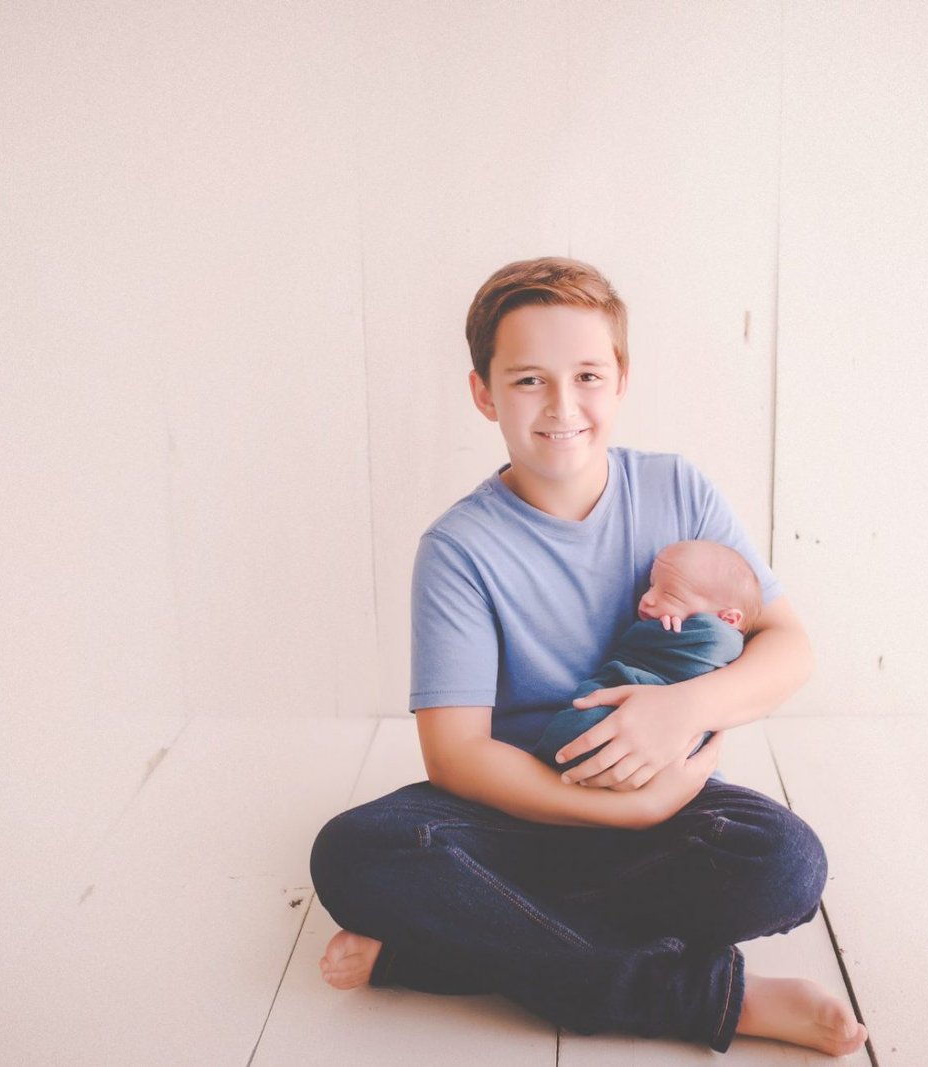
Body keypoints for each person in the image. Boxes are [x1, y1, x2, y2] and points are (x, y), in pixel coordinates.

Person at [309, 257, 867, 1057]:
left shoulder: (679, 489)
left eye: (587, 376)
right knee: (352, 854)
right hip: (514, 810)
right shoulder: (459, 547)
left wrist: (686, 709)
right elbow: (456, 752)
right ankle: (707, 997)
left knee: (786, 863)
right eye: (529, 380)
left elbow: (789, 646)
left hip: (664, 805)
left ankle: (451, 946)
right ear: (483, 392)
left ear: (621, 379)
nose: (562, 406)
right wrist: (616, 810)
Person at [534, 539, 760, 772]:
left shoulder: (716, 637)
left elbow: (712, 648)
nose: (647, 599)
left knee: (573, 734)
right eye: (651, 586)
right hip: (630, 729)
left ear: (728, 620)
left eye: (671, 596)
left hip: (675, 749)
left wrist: (666, 634)